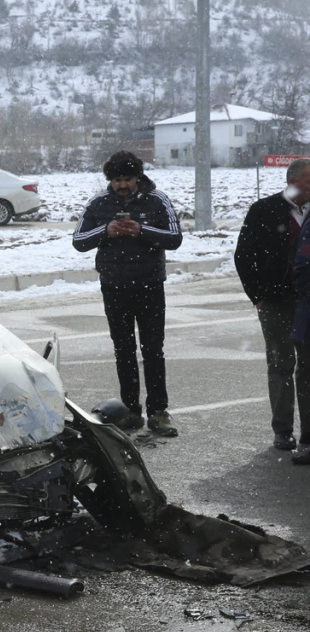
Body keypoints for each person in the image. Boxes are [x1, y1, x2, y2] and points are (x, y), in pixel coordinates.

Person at [72, 151, 182, 436]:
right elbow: (78, 241)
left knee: (153, 349)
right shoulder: (98, 202)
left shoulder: (158, 200)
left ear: (138, 177)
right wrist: (106, 230)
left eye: (127, 179)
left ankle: (158, 411)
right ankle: (130, 410)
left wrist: (141, 231)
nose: (122, 185)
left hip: (149, 285)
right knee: (123, 350)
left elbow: (175, 238)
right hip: (114, 286)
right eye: (117, 180)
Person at [251, 157, 310, 455]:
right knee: (280, 365)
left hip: (308, 300)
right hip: (276, 301)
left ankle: (308, 436)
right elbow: (244, 255)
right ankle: (283, 431)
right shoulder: (264, 210)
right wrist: (258, 295)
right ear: (294, 181)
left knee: (309, 367)